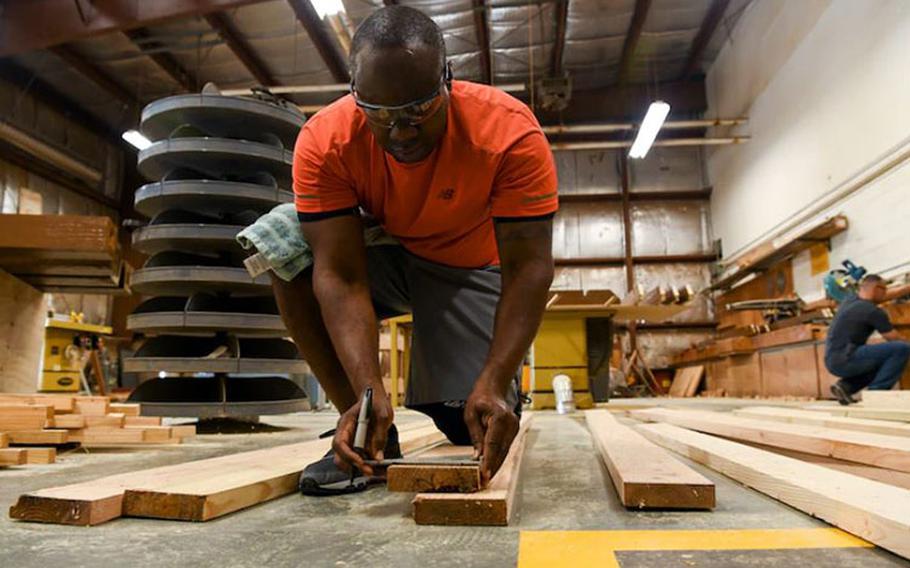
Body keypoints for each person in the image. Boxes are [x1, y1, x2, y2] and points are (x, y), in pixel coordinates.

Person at [269, 6, 558, 495]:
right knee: (285, 249)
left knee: (465, 420)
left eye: (418, 110)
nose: (400, 132)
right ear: (354, 91)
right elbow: (340, 274)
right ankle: (365, 432)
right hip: (390, 256)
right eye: (379, 115)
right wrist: (368, 389)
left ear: (447, 78)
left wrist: (494, 380)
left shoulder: (507, 133)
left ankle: (486, 393)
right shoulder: (325, 140)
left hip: (468, 267)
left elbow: (529, 268)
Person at [825, 274, 910, 405]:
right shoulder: (872, 311)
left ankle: (846, 387)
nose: (885, 294)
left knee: (883, 360)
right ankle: (876, 394)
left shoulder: (850, 300)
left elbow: (883, 296)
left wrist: (905, 288)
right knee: (901, 349)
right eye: (884, 290)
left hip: (832, 360)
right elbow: (893, 338)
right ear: (877, 288)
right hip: (846, 358)